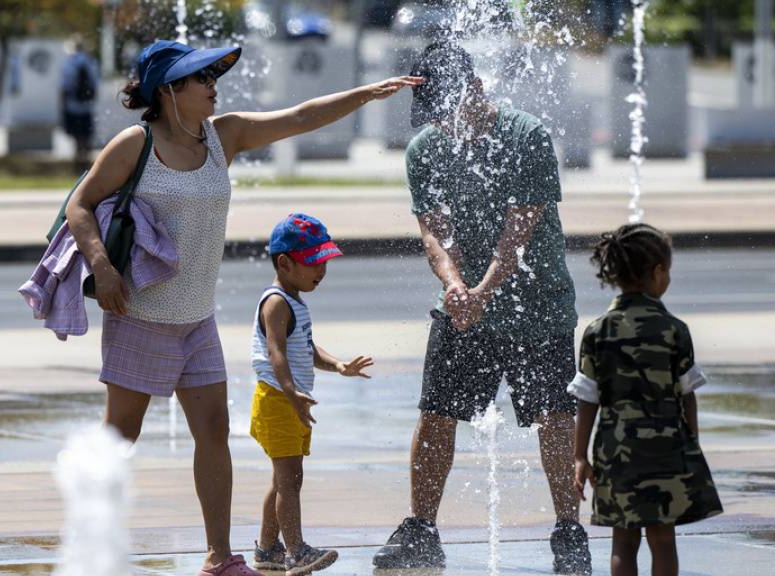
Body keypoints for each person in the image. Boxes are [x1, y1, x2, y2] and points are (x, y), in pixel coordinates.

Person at [63, 39, 419, 576]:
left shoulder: (221, 135)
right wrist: (103, 267)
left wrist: (363, 95)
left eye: (212, 76)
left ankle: (219, 557)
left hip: (196, 320)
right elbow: (79, 205)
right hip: (141, 317)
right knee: (119, 437)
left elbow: (298, 117)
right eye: (200, 79)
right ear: (168, 90)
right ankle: (88, 546)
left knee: (213, 431)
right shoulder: (134, 145)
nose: (213, 86)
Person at [372, 41, 591, 575]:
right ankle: (421, 528)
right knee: (436, 415)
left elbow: (522, 224)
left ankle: (568, 531)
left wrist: (483, 290)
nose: (446, 125)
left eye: (450, 110)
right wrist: (454, 287)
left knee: (554, 419)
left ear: (475, 88)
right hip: (462, 307)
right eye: (435, 116)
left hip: (538, 307)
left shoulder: (526, 135)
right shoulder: (425, 148)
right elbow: (434, 229)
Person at [569, 223, 723, 576]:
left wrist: (580, 456)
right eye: (667, 270)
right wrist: (692, 444)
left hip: (615, 449)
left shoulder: (597, 331)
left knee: (623, 541)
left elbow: (587, 400)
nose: (668, 278)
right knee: (663, 539)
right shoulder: (674, 329)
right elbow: (687, 396)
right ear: (657, 272)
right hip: (666, 448)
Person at [249, 213, 374, 576]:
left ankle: (268, 549)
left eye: (324, 262)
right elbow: (276, 354)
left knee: (283, 478)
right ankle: (296, 550)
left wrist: (339, 365)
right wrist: (291, 393)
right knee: (290, 480)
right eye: (313, 263)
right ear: (284, 263)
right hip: (278, 399)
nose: (321, 271)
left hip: (289, 399)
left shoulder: (294, 300)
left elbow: (306, 348)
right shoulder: (276, 303)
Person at [60, 39, 100, 172]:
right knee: (86, 136)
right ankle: (87, 165)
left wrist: (62, 107)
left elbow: (64, 87)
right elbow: (95, 86)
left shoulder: (68, 63)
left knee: (76, 138)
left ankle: (77, 164)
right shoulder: (91, 62)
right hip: (87, 106)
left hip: (72, 105)